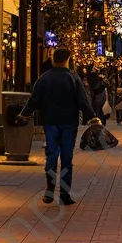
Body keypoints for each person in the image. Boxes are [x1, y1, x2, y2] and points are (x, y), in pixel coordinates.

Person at [18, 47, 98, 205]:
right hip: (69, 122)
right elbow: (82, 101)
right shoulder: (73, 78)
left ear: (54, 59)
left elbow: (34, 99)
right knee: (67, 158)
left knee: (52, 155)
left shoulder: (44, 78)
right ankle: (64, 193)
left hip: (50, 121)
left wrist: (24, 113)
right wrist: (92, 116)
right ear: (67, 59)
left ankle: (49, 191)